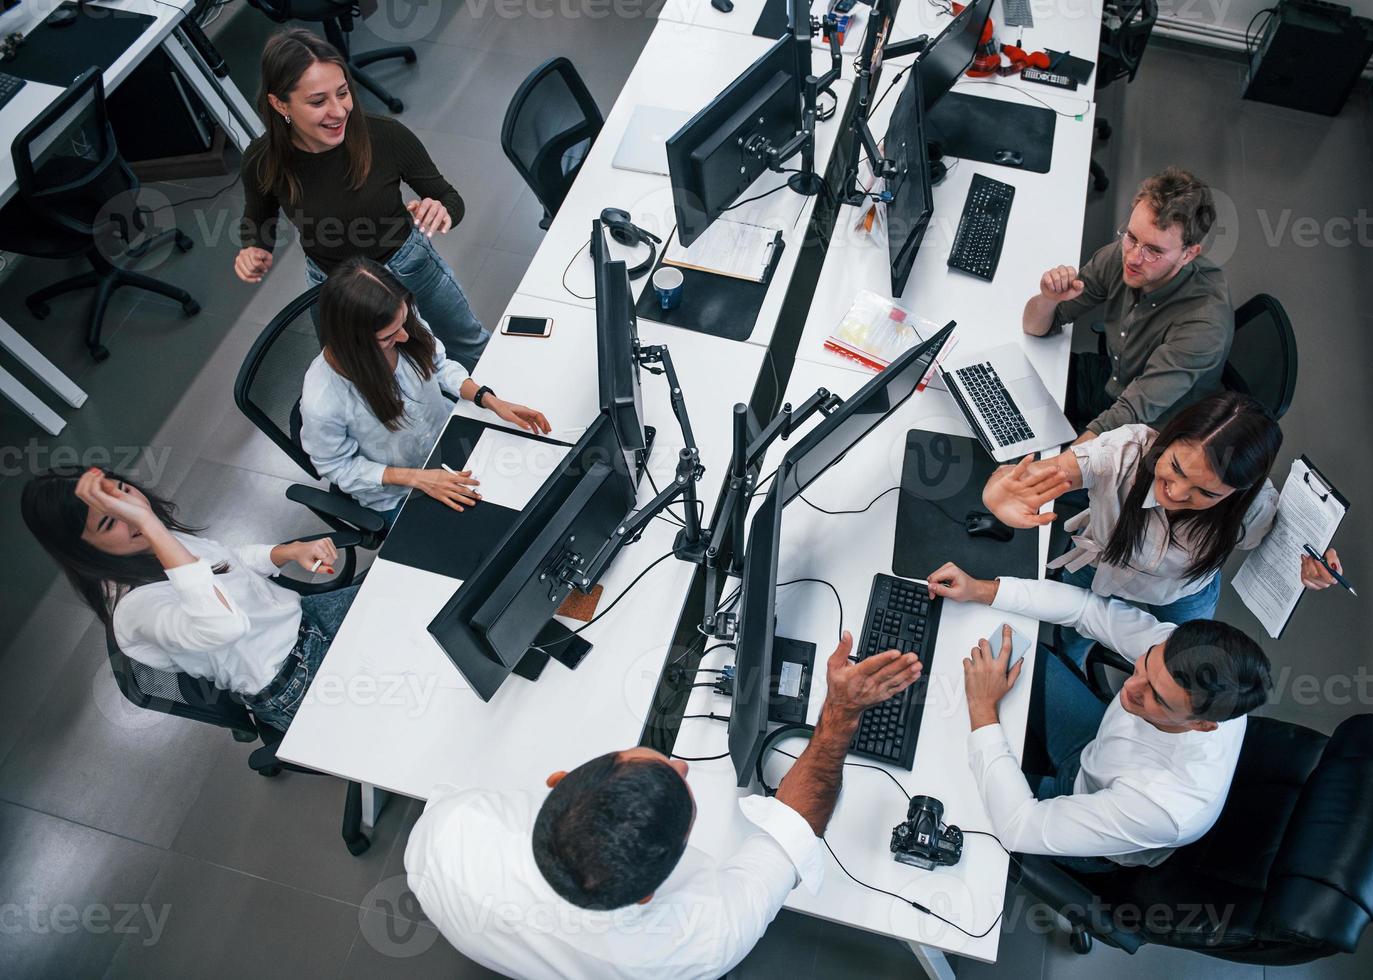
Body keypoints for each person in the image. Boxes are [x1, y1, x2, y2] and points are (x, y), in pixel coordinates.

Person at [403, 634, 923, 979]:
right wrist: (840, 714)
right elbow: (795, 826)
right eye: (682, 785)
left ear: (557, 782)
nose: (683, 766)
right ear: (651, 893)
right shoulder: (704, 941)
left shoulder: (453, 828)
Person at [926, 563, 1272, 872]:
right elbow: (1087, 609)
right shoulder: (1181, 651)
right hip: (1095, 744)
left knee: (943, 781)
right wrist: (981, 589)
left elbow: (1018, 827)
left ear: (1201, 725)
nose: (1130, 689)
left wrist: (983, 709)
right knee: (1008, 646)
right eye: (1145, 665)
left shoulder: (1164, 807)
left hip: (1086, 804)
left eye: (1158, 697)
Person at [980, 391, 1343, 665]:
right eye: (1177, 468)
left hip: (1183, 592)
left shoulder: (1254, 508)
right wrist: (999, 490)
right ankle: (1072, 667)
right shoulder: (1124, 451)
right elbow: (1043, 473)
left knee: (1182, 659)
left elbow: (1288, 546)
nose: (1178, 492)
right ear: (1167, 440)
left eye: (1206, 492)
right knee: (1074, 637)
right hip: (1102, 566)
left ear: (1236, 493)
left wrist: (1308, 564)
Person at [21, 468, 356, 731]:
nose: (132, 514)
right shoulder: (134, 610)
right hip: (289, 678)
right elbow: (226, 625)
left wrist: (288, 551)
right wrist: (148, 523)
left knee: (405, 593)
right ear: (84, 550)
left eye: (123, 493)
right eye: (111, 521)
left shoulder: (155, 541)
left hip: (306, 620)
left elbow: (226, 561)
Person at [235, 28, 488, 367]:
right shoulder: (262, 159)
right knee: (359, 373)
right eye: (317, 101)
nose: (339, 111)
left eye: (343, 93)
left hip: (408, 266)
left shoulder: (386, 135)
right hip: (335, 286)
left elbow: (449, 198)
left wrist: (441, 210)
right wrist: (255, 247)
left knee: (469, 350)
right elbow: (258, 218)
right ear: (280, 104)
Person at [299, 258, 550, 522]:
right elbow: (339, 467)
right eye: (388, 337)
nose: (405, 337)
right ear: (354, 342)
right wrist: (421, 479)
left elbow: (438, 365)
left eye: (404, 322)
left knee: (528, 491)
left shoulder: (398, 321)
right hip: (401, 491)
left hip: (447, 437)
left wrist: (488, 399)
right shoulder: (323, 401)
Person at [1023, 167, 1231, 440]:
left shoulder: (1204, 323)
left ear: (1188, 254)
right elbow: (1035, 326)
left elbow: (1132, 413)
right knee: (1018, 397)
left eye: (1154, 251)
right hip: (1115, 381)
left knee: (1045, 463)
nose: (1133, 257)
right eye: (1131, 237)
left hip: (1159, 426)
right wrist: (1049, 299)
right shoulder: (1125, 257)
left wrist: (1052, 469)